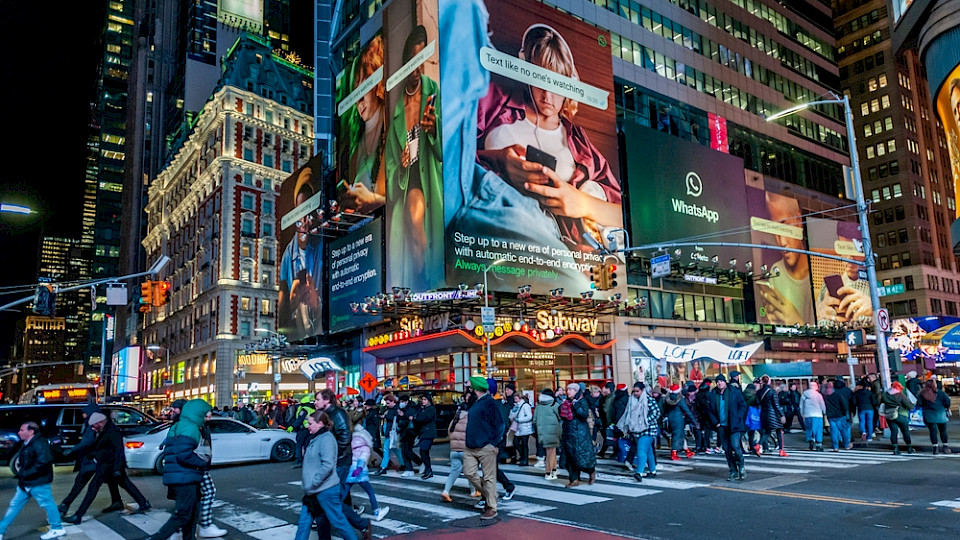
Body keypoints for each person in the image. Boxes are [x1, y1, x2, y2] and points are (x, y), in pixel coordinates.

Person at [476, 24, 623, 253]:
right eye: (540, 80)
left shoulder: (577, 141)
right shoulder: (493, 102)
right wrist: (499, 159)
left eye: (556, 84)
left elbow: (622, 217)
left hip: (561, 255)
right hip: (491, 240)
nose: (547, 96)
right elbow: (448, 152)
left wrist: (580, 202)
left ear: (570, 84)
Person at [385, 24, 443, 292]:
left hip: (432, 178)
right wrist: (401, 167)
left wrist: (434, 131)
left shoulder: (434, 93)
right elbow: (389, 169)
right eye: (413, 62)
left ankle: (425, 284)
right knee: (411, 221)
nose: (417, 69)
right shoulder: (396, 110)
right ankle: (420, 285)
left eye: (422, 61)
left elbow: (449, 149)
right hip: (409, 183)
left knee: (428, 235)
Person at [64, 412, 151, 525]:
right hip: (108, 464)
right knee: (125, 484)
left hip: (109, 465)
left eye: (94, 425)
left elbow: (118, 451)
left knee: (93, 488)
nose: (93, 428)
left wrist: (117, 468)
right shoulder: (103, 430)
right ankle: (142, 503)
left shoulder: (112, 432)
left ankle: (78, 515)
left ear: (100, 422)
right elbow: (103, 448)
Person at [145, 399, 212, 540]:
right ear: (198, 413)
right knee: (184, 514)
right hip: (184, 476)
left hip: (183, 475)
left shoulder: (181, 425)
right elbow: (183, 454)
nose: (209, 415)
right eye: (206, 412)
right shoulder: (190, 427)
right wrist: (201, 463)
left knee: (192, 512)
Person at [314, 389, 371, 539]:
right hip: (334, 461)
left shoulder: (338, 414)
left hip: (340, 462)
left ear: (326, 400)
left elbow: (345, 437)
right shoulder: (327, 414)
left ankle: (361, 524)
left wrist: (331, 456)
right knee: (333, 499)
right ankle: (360, 524)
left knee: (330, 499)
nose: (315, 402)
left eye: (318, 399)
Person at [295, 412, 359, 540]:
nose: (308, 426)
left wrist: (315, 481)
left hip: (325, 489)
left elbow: (328, 464)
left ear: (320, 424)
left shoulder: (326, 439)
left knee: (338, 521)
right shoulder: (316, 437)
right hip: (313, 490)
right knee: (304, 523)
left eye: (310, 423)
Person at [278, 163, 324, 338]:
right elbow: (283, 313)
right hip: (299, 333)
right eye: (300, 214)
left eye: (308, 214)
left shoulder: (322, 245)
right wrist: (293, 300)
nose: (304, 221)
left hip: (319, 329)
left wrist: (315, 302)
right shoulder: (287, 257)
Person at [342, 35, 387, 213]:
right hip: (367, 234)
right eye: (355, 89)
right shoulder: (353, 145)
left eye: (364, 84)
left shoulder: (395, 125)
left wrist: (376, 201)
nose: (358, 99)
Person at [0, 422, 67, 539]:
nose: (19, 432)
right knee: (14, 505)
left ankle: (57, 528)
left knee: (47, 504)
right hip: (26, 482)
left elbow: (44, 462)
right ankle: (1, 530)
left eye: (22, 430)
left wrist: (25, 473)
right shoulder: (26, 443)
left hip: (38, 482)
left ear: (31, 432)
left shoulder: (40, 443)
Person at [757, 192, 814, 325]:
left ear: (798, 220)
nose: (782, 242)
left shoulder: (819, 270)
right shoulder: (776, 271)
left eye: (784, 225)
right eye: (775, 230)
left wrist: (797, 322)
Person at [58, 403, 122, 516]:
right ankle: (117, 501)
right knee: (112, 482)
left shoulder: (93, 425)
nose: (83, 415)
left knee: (83, 483)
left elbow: (88, 441)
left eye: (85, 413)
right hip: (98, 460)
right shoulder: (94, 424)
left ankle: (67, 506)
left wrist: (73, 449)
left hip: (92, 460)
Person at [463, 376, 505, 521]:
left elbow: (500, 424)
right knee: (469, 472)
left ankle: (491, 507)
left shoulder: (490, 403)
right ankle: (489, 495)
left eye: (470, 386)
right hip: (471, 445)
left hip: (486, 445)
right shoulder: (475, 402)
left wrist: (494, 443)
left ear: (475, 388)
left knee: (489, 477)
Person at [616, 382, 661, 483]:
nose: (635, 393)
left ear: (642, 390)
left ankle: (639, 472)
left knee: (641, 450)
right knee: (648, 450)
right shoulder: (631, 400)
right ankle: (653, 471)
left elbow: (657, 412)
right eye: (634, 391)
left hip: (648, 429)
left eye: (637, 391)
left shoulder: (649, 400)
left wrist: (645, 420)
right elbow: (627, 413)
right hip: (636, 429)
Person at [707, 374, 748, 481]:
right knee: (727, 449)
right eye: (717, 382)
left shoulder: (734, 392)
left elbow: (743, 405)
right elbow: (710, 410)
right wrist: (716, 423)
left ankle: (741, 465)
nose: (719, 383)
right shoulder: (713, 394)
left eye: (721, 381)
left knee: (735, 446)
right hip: (721, 426)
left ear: (725, 382)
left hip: (734, 424)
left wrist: (738, 416)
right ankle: (733, 470)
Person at [442, 389, 480, 501]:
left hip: (454, 450)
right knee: (471, 471)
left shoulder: (456, 417)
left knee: (454, 472)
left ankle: (446, 491)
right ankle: (474, 491)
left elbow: (449, 431)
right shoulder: (471, 417)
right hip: (466, 449)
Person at [346, 424, 389, 521]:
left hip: (350, 470)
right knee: (370, 491)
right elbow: (363, 458)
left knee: (344, 492)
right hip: (360, 473)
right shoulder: (365, 448)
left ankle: (334, 510)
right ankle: (377, 512)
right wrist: (359, 469)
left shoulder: (352, 445)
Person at [560, 383, 597, 487]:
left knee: (582, 457)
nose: (568, 392)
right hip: (568, 433)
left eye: (571, 390)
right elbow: (562, 416)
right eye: (567, 390)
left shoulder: (582, 401)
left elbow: (583, 414)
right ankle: (574, 479)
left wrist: (575, 405)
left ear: (576, 391)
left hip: (580, 434)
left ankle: (591, 472)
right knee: (570, 458)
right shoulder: (566, 402)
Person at [662, 383, 697, 460]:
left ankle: (687, 450)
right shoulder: (680, 399)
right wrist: (694, 421)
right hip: (679, 420)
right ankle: (674, 453)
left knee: (680, 435)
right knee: (677, 436)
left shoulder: (667, 398)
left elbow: (664, 409)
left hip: (670, 419)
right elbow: (686, 410)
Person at [532, 388, 561, 480]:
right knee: (552, 452)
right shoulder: (555, 405)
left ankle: (553, 470)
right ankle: (549, 472)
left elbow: (534, 420)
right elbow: (560, 417)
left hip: (542, 432)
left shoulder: (539, 406)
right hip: (553, 431)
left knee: (550, 452)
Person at [918, 379, 952, 454]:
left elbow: (919, 404)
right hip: (941, 414)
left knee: (933, 432)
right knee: (943, 431)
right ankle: (945, 447)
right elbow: (947, 402)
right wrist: (946, 407)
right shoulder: (940, 393)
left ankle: (935, 448)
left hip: (929, 415)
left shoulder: (922, 394)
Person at [757, 375, 788, 457]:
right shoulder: (772, 392)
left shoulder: (759, 392)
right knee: (779, 430)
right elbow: (776, 405)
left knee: (767, 432)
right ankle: (781, 450)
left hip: (764, 414)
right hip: (773, 415)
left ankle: (758, 445)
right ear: (769, 381)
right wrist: (782, 415)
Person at [881, 382, 915, 455]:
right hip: (901, 415)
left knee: (893, 432)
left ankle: (895, 449)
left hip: (890, 415)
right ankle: (909, 447)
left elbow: (880, 403)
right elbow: (910, 406)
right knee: (905, 432)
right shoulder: (900, 395)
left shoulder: (885, 395)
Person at [376, 394, 404, 474]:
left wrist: (385, 416)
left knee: (387, 450)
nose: (387, 404)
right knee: (395, 449)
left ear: (393, 401)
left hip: (391, 432)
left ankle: (383, 467)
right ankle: (402, 464)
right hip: (392, 432)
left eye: (388, 403)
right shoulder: (394, 409)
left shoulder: (395, 410)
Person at [396, 395, 421, 477]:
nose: (400, 403)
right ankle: (409, 468)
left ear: (406, 401)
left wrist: (402, 416)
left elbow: (406, 421)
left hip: (409, 433)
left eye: (402, 401)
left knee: (407, 450)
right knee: (405, 451)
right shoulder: (406, 409)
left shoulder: (411, 409)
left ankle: (413, 466)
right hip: (405, 432)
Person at [413, 395, 437, 478]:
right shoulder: (423, 409)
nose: (423, 401)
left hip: (428, 433)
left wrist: (415, 418)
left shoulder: (431, 409)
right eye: (422, 399)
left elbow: (423, 418)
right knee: (424, 452)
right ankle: (428, 469)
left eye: (425, 399)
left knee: (424, 450)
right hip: (423, 433)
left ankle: (428, 469)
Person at [290, 394, 316, 468]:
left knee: (299, 445)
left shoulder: (304, 409)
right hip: (310, 429)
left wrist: (292, 426)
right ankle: (309, 461)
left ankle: (299, 461)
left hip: (302, 429)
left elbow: (299, 419)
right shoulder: (312, 409)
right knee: (307, 446)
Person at [823, 382, 850, 452]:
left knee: (834, 431)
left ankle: (835, 447)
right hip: (840, 415)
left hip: (831, 416)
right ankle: (846, 445)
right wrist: (844, 413)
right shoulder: (837, 395)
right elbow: (844, 405)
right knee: (843, 430)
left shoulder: (825, 396)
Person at [509, 393, 534, 466]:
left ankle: (525, 459)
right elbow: (511, 417)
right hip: (518, 428)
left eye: (516, 399)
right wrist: (512, 412)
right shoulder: (516, 406)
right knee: (516, 443)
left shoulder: (525, 406)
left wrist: (519, 419)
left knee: (524, 444)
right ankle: (523, 457)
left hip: (525, 428)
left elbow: (529, 416)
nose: (515, 400)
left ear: (520, 398)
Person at [800, 381, 826, 451]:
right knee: (818, 429)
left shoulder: (804, 394)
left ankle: (810, 439)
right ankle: (818, 445)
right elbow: (822, 405)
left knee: (809, 428)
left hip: (807, 415)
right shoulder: (818, 395)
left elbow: (801, 405)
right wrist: (824, 412)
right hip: (817, 414)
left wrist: (802, 414)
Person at [694, 379, 717, 454]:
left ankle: (705, 446)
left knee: (705, 431)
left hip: (701, 415)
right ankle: (712, 446)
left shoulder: (698, 394)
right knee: (713, 430)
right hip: (709, 414)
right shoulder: (709, 394)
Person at [597, 382, 617, 459]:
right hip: (607, 421)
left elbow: (608, 410)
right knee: (608, 437)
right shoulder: (606, 397)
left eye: (606, 388)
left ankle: (604, 452)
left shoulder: (611, 397)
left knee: (610, 437)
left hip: (610, 421)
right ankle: (604, 452)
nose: (604, 390)